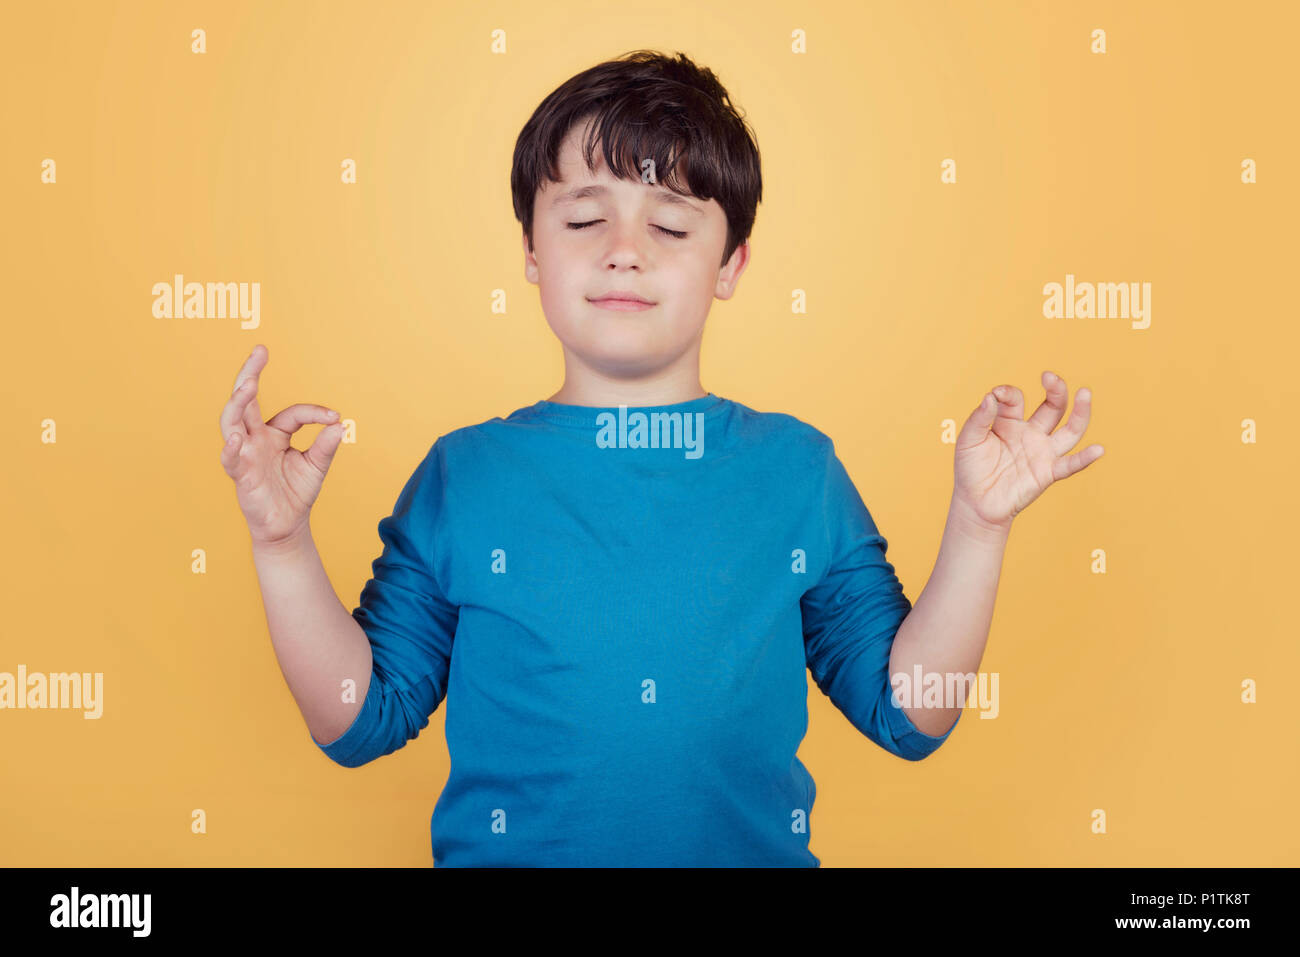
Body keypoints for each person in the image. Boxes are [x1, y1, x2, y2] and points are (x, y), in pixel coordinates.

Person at [216, 50, 1103, 867]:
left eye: (671, 228)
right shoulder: (463, 476)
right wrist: (281, 544)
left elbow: (909, 714)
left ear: (731, 264)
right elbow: (358, 719)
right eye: (584, 218)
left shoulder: (797, 472)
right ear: (531, 250)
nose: (624, 252)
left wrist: (978, 526)